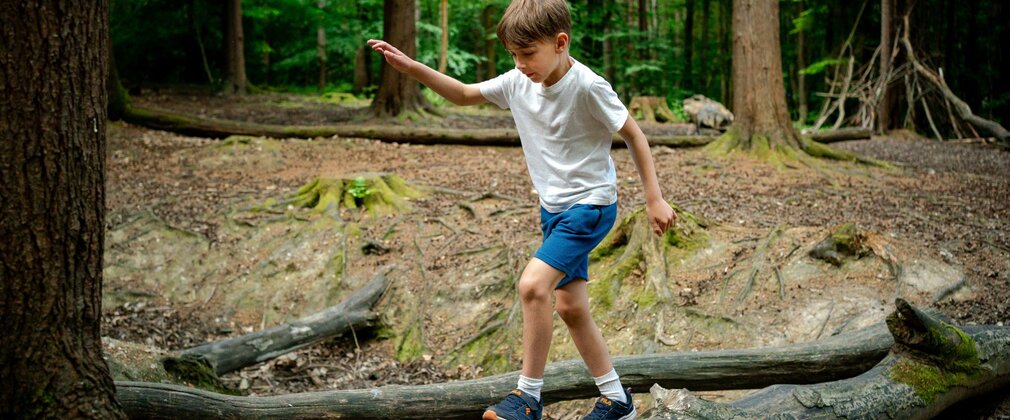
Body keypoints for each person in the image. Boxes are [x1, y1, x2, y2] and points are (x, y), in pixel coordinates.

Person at [368, 0, 675, 418]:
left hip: (591, 206)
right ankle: (617, 399)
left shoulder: (588, 86)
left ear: (560, 42)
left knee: (533, 286)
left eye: (528, 53)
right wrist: (414, 68)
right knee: (570, 307)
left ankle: (528, 396)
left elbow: (635, 136)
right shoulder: (518, 81)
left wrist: (654, 199)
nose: (520, 63)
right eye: (514, 54)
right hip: (553, 212)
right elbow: (462, 94)